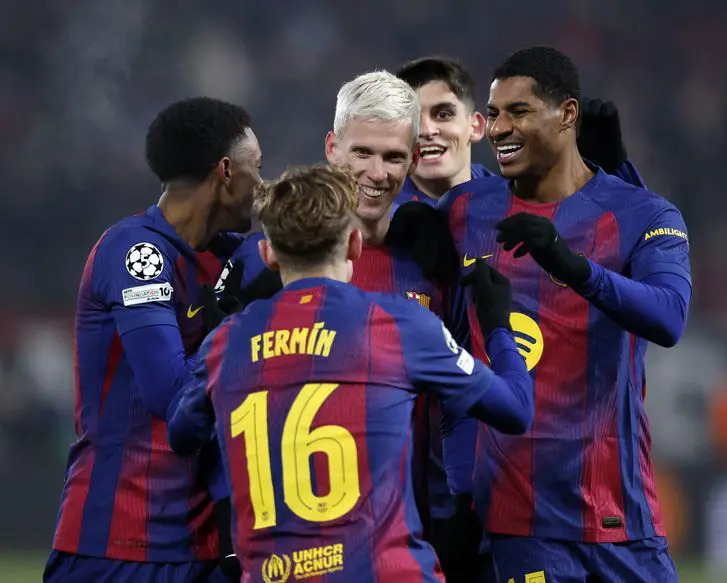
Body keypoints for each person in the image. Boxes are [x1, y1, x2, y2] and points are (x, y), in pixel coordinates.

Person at [167, 164, 535, 582]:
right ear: (355, 244)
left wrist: (222, 345)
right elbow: (515, 409)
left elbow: (182, 434)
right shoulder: (400, 324)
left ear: (267, 254)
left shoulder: (226, 343)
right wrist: (497, 325)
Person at [435, 46, 692, 582]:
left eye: (519, 111)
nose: (499, 128)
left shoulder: (643, 213)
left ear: (567, 114)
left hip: (622, 513)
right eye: (494, 113)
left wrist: (571, 266)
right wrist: (459, 490)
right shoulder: (464, 213)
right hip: (522, 526)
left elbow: (669, 318)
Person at [45, 97, 263, 583]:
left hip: (208, 545)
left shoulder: (232, 257)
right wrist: (231, 315)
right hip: (117, 547)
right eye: (258, 168)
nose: (262, 186)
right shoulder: (135, 252)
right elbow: (172, 396)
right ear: (226, 171)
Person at [393, 56, 491, 208]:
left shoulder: (512, 203)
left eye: (443, 115)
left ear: (475, 127)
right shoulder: (378, 216)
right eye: (412, 119)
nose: (426, 131)